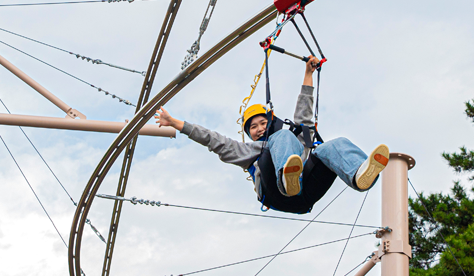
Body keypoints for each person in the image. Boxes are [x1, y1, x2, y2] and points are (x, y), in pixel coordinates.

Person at [154, 56, 389, 208]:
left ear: (271, 121)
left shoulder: (293, 140)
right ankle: (287, 178)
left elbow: (304, 117)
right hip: (277, 194)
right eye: (253, 127)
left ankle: (358, 174)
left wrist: (308, 74)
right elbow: (214, 140)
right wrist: (176, 123)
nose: (258, 129)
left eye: (262, 123)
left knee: (332, 144)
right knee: (282, 137)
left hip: (307, 192)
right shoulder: (249, 151)